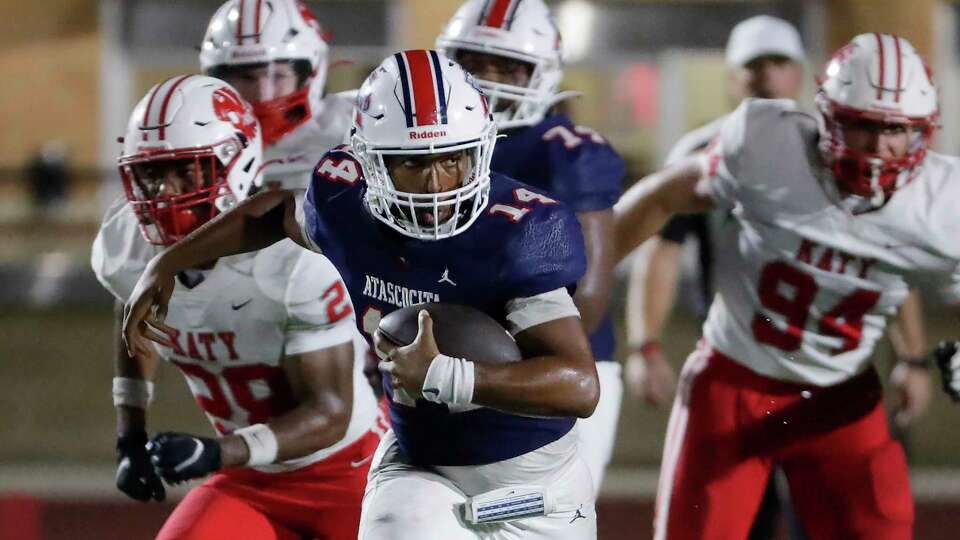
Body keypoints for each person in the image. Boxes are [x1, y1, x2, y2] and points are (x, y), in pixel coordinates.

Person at [121, 51, 600, 540]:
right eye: (412, 163)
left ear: (480, 149)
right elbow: (270, 213)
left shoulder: (521, 232)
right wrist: (166, 263)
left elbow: (579, 388)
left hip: (540, 483)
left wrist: (444, 374)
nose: (436, 186)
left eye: (452, 159)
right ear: (369, 161)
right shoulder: (344, 205)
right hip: (422, 469)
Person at [614, 33, 949, 539]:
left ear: (921, 133)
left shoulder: (943, 205)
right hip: (735, 379)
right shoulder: (767, 143)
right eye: (862, 126)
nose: (879, 149)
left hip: (840, 394)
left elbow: (892, 275)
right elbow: (660, 198)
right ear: (829, 118)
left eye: (895, 131)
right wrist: (571, 277)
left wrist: (916, 357)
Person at [92, 75, 381, 540]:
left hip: (349, 468)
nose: (163, 192)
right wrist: (130, 433)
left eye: (184, 170)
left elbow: (330, 412)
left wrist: (216, 453)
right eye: (150, 174)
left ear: (236, 162)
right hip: (253, 475)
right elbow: (135, 319)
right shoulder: (126, 245)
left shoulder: (292, 261)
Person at [436, 0, 624, 491]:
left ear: (543, 75)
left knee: (531, 514)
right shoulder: (427, 143)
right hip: (447, 356)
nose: (488, 78)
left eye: (509, 66)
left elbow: (590, 298)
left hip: (548, 361)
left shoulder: (565, 152)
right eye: (473, 62)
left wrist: (498, 371)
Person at [199, 0, 353, 191]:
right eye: (246, 78)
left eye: (278, 76)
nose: (263, 94)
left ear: (311, 73)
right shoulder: (199, 142)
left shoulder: (357, 128)